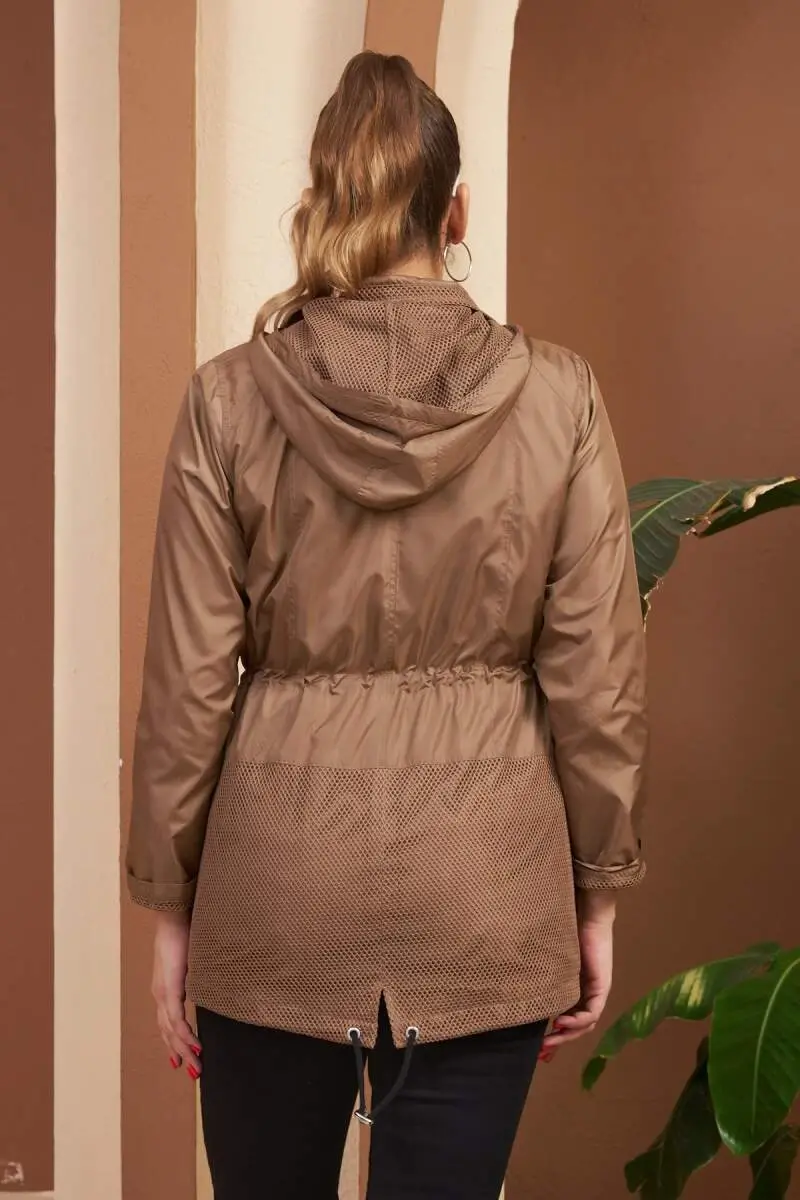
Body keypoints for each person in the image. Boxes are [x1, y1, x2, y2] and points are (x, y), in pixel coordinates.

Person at [126, 50, 647, 1200]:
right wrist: (595, 895)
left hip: (274, 894)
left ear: (330, 200)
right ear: (455, 211)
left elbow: (188, 684)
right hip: (484, 891)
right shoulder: (558, 397)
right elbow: (594, 678)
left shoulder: (226, 399)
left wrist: (170, 912)